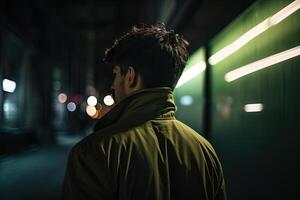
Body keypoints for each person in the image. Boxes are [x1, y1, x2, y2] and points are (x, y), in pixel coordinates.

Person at [62, 24, 227, 200]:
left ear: (131, 77)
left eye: (116, 74)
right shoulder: (205, 152)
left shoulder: (93, 152)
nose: (113, 85)